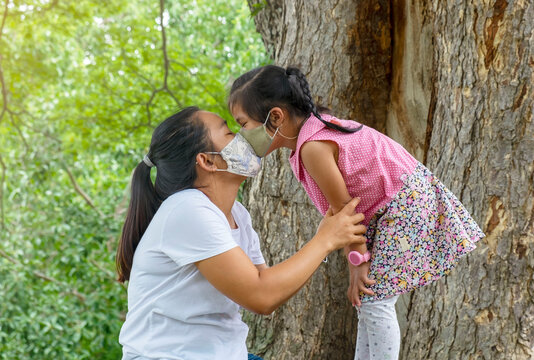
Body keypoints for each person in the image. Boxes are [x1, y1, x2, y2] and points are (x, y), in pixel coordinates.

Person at [227, 65, 485, 360]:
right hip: (396, 206)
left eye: (243, 123)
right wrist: (357, 263)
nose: (241, 133)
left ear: (275, 117)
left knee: (376, 302)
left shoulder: (313, 147)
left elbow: (344, 210)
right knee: (368, 300)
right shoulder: (315, 130)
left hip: (403, 207)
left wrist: (358, 261)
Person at [115, 106, 368, 360]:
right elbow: (262, 296)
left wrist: (326, 238)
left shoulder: (236, 213)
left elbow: (265, 282)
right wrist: (325, 240)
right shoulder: (186, 209)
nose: (243, 137)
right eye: (228, 133)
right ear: (207, 160)